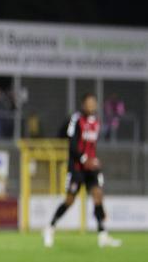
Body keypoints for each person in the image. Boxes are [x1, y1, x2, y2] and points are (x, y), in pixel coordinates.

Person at [43, 93, 121, 248]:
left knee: (98, 196)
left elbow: (92, 146)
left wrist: (94, 160)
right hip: (77, 168)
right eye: (89, 102)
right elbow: (72, 145)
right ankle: (50, 228)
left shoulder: (97, 122)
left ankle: (103, 235)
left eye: (94, 102)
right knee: (69, 200)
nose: (92, 105)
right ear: (83, 104)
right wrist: (85, 159)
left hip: (91, 169)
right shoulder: (76, 119)